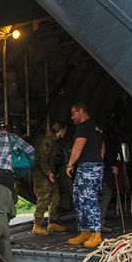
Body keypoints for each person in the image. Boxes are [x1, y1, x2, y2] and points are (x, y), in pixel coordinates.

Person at [66, 102, 105, 248]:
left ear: (81, 111)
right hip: (95, 166)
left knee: (88, 200)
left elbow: (78, 147)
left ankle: (95, 233)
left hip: (87, 167)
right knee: (79, 199)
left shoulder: (83, 126)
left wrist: (70, 164)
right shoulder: (98, 128)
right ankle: (85, 232)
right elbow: (102, 150)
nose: (72, 117)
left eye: (73, 113)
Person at [32, 120, 68, 235]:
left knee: (55, 197)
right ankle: (37, 225)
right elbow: (42, 159)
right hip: (41, 173)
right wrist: (48, 173)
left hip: (50, 171)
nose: (65, 133)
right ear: (60, 130)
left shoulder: (54, 141)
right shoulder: (47, 141)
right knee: (44, 197)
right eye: (65, 130)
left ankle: (53, 222)